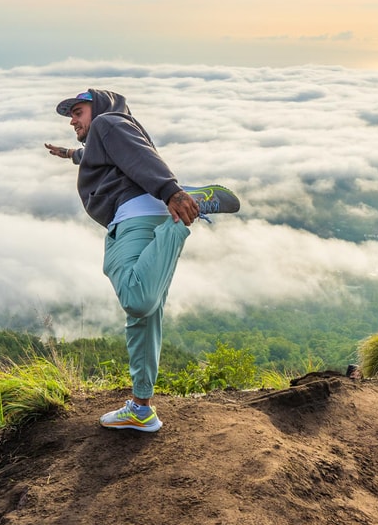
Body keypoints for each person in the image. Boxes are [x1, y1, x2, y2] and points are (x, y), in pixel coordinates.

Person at [45, 89, 240, 432]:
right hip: (146, 216)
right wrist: (72, 155)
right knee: (145, 319)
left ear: (99, 106)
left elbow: (137, 155)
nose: (73, 120)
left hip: (136, 219)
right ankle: (141, 406)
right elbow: (111, 154)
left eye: (78, 112)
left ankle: (184, 213)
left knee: (137, 300)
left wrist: (173, 193)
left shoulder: (107, 122)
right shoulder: (107, 132)